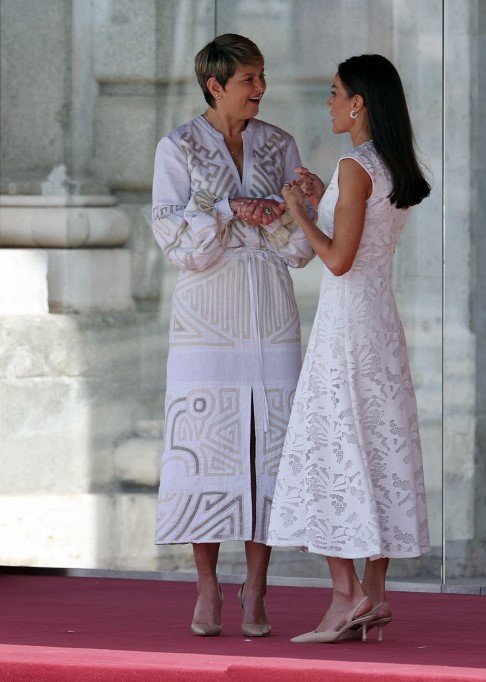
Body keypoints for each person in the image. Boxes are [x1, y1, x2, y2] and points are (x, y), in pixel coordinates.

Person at [150, 33, 314, 639]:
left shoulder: (279, 144)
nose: (260, 89)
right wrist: (227, 211)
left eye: (262, 76)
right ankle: (206, 586)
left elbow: (302, 248)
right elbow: (172, 239)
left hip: (270, 310)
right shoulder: (178, 146)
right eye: (249, 80)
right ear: (215, 85)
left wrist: (290, 210)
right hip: (207, 317)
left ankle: (258, 588)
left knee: (267, 446)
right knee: (205, 444)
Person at [267, 53, 432, 643]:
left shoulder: (355, 165)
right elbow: (359, 240)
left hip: (346, 327)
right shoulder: (391, 163)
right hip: (379, 323)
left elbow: (336, 260)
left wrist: (297, 212)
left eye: (336, 93)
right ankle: (375, 597)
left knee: (329, 444)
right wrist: (321, 200)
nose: (330, 102)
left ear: (359, 102)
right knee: (375, 445)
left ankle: (347, 595)